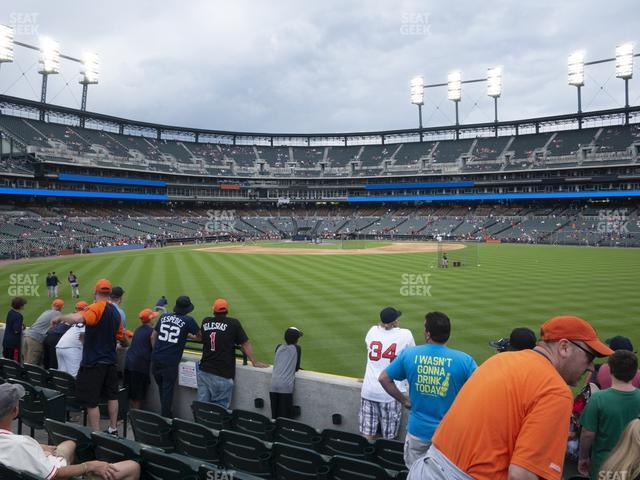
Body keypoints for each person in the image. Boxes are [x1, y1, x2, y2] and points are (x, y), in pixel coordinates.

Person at [407, 315, 613, 480]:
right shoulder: (555, 390)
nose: (590, 367)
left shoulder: (500, 359)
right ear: (564, 347)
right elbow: (522, 475)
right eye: (589, 356)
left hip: (426, 467)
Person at [380, 311, 477, 467]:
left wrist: (404, 400)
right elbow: (480, 391)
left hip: (418, 431)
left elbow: (384, 378)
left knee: (415, 472)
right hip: (449, 434)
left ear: (428, 334)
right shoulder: (465, 360)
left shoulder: (410, 354)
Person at [0, 383, 140, 479]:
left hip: (35, 466)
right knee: (133, 467)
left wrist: (38, 448)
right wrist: (89, 466)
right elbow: (55, 475)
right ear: (14, 411)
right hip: (54, 473)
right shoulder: (21, 445)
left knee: (69, 444)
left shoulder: (19, 444)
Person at [53, 279, 126, 434]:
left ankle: (96, 433)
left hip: (94, 362)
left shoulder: (96, 307)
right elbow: (121, 337)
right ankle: (113, 429)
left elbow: (78, 319)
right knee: (112, 395)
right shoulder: (115, 312)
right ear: (110, 293)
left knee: (91, 401)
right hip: (110, 360)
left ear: (95, 292)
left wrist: (60, 318)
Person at [578, 350, 640, 479]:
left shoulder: (598, 399)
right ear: (635, 372)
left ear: (610, 370)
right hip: (634, 464)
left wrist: (583, 457)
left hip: (604, 464)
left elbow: (587, 434)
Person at [197, 298, 267, 408]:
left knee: (201, 408)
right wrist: (254, 361)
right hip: (222, 374)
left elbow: (201, 337)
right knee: (219, 412)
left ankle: (200, 425)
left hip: (204, 371)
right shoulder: (233, 323)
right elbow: (245, 343)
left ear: (214, 311)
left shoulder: (206, 321)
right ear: (227, 311)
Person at [359, 307, 415, 441]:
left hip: (368, 391)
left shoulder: (372, 331)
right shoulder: (405, 334)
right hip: (390, 392)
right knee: (389, 438)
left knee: (368, 436)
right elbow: (411, 357)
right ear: (395, 321)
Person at [151, 296, 201, 418]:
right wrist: (188, 336)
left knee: (162, 390)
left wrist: (156, 352)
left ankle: (166, 415)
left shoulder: (164, 317)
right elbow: (200, 337)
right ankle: (166, 420)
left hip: (156, 359)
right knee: (167, 391)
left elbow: (153, 336)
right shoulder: (188, 320)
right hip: (170, 362)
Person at [124, 308, 159, 410]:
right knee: (137, 395)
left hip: (129, 363)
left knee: (130, 392)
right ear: (151, 319)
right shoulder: (152, 332)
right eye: (154, 318)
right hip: (139, 366)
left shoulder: (137, 329)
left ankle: (130, 415)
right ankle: (134, 418)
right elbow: (154, 345)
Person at [270, 327, 304, 419]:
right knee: (285, 417)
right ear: (296, 340)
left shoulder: (278, 347)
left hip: (273, 384)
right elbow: (296, 368)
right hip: (285, 386)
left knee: (274, 416)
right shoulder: (297, 348)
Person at [23, 299, 64, 366]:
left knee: (26, 362)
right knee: (32, 364)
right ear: (61, 307)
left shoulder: (46, 312)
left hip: (27, 336)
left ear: (52, 305)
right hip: (36, 339)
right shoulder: (58, 314)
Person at [55, 301, 89, 377]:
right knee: (75, 374)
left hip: (59, 346)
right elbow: (82, 335)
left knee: (62, 374)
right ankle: (74, 389)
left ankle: (62, 389)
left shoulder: (76, 319)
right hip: (72, 348)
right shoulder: (85, 319)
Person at [3, 297, 27, 361]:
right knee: (14, 363)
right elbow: (16, 330)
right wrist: (22, 327)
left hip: (6, 341)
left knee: (6, 362)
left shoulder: (10, 312)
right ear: (20, 306)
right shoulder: (19, 316)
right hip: (13, 344)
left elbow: (11, 323)